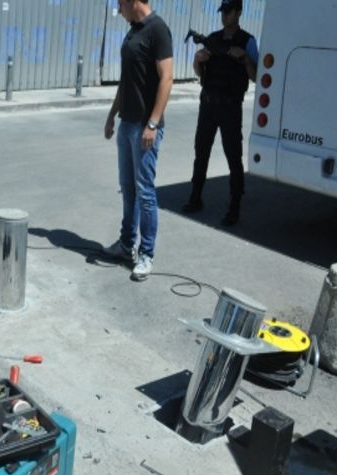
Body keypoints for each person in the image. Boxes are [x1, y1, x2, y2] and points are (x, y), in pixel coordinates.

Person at [102, 0, 173, 281]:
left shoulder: (158, 30)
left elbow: (167, 78)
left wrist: (153, 123)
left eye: (120, 3)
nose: (118, 9)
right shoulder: (133, 31)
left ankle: (146, 254)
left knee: (144, 192)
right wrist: (111, 115)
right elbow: (126, 81)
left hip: (146, 127)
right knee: (127, 188)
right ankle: (126, 244)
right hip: (127, 124)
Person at [182, 0, 258, 226]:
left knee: (233, 157)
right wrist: (197, 60)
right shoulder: (213, 38)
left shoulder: (247, 41)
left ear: (238, 13)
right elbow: (199, 72)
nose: (224, 16)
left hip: (230, 107)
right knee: (201, 153)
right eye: (222, 12)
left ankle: (234, 208)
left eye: (228, 12)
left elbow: (256, 76)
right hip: (208, 104)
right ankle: (195, 198)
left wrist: (244, 57)